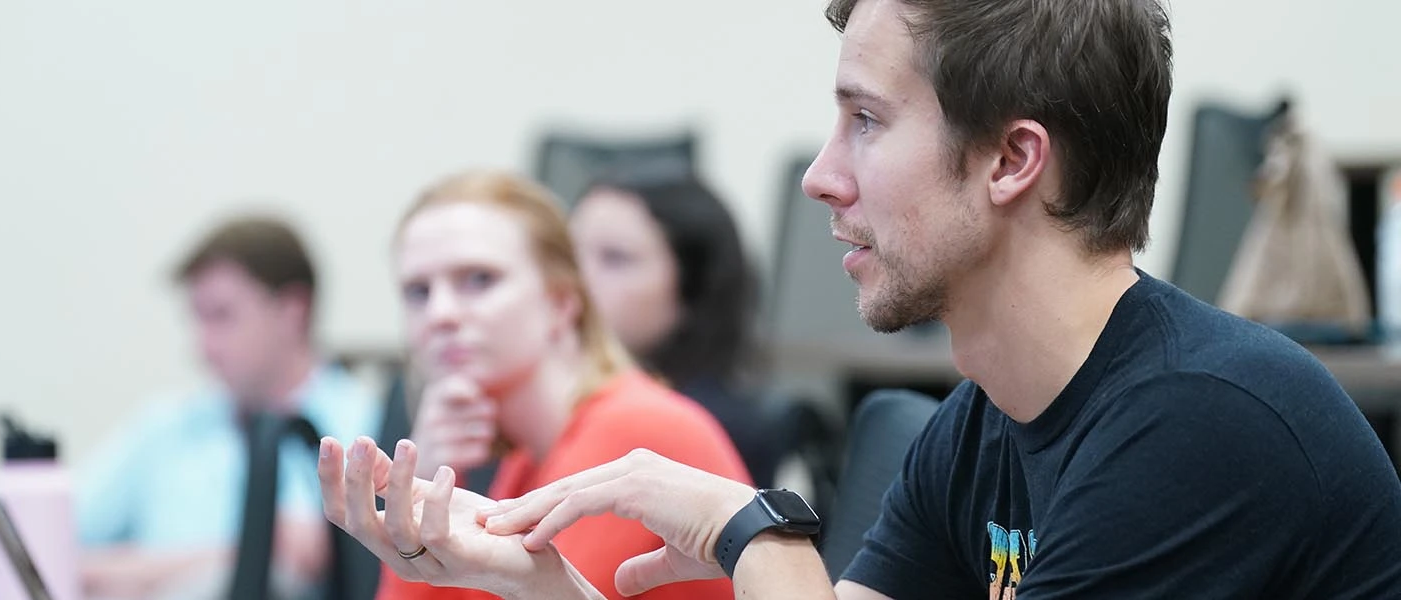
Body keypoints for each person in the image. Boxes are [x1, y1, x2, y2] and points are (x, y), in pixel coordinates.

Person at [320, 0, 1401, 598]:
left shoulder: (1205, 425)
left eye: (867, 123)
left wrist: (755, 530)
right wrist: (530, 586)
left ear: (1012, 160)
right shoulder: (984, 423)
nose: (820, 175)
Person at [365, 170, 750, 600]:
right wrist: (420, 501)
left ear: (562, 301)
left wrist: (417, 524)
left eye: (478, 279)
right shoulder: (530, 458)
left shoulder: (633, 429)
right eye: (418, 291)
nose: (441, 313)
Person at [77, 216, 380, 599]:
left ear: (292, 311)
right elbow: (32, 543)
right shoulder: (165, 424)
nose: (204, 346)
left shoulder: (359, 425)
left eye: (222, 317)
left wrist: (121, 572)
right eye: (198, 319)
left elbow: (302, 553)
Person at [570, 171, 782, 487]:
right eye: (566, 256)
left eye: (615, 258)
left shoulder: (710, 427)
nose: (575, 281)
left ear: (692, 288)